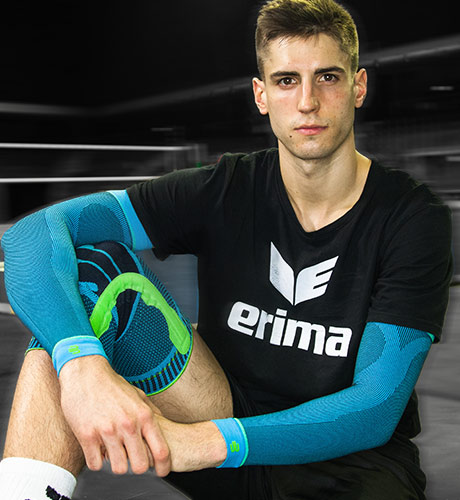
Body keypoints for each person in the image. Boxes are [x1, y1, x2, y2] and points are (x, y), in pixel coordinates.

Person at [0, 0, 453, 499]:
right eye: (286, 81)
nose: (307, 102)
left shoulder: (411, 216)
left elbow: (376, 406)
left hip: (347, 465)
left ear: (358, 86)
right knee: (86, 277)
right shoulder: (225, 188)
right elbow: (30, 235)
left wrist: (204, 443)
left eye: (327, 77)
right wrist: (82, 366)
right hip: (218, 413)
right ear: (262, 95)